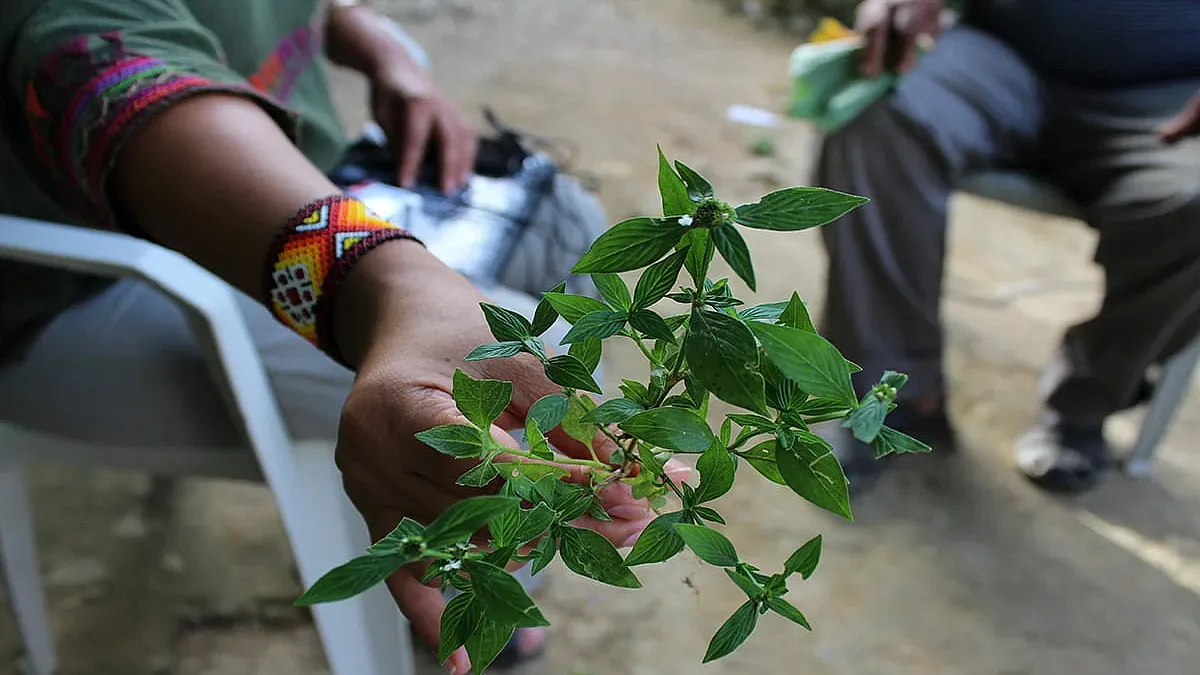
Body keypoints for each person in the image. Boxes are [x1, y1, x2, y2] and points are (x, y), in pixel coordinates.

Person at [0, 1, 663, 672]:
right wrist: (393, 286)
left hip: (295, 173)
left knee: (565, 225)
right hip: (73, 292)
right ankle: (475, 572)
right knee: (508, 352)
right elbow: (101, 66)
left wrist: (375, 47)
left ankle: (502, 554)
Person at [816, 0, 1200, 494]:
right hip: (997, 54)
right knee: (877, 114)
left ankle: (1085, 402)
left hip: (1171, 95)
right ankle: (899, 388)